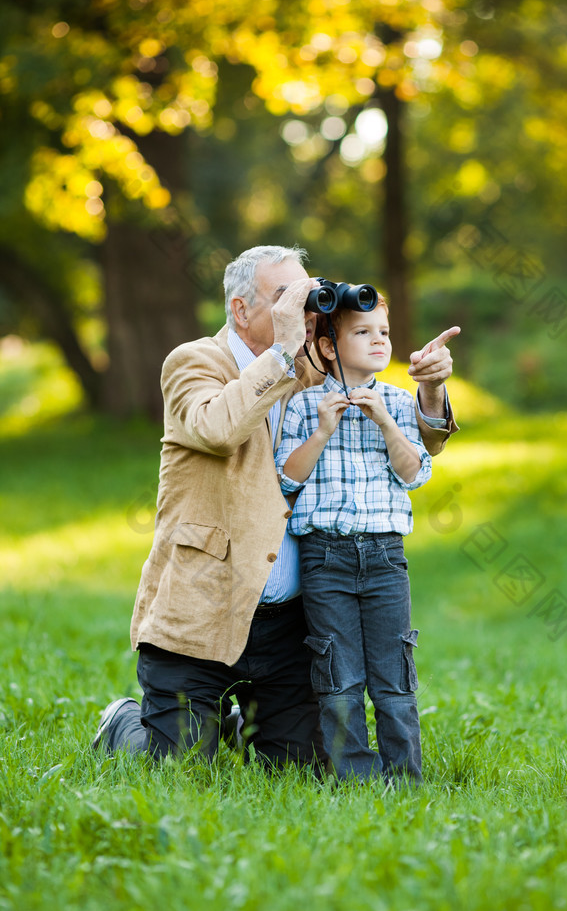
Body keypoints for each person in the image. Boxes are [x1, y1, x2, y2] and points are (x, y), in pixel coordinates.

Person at [93, 245, 458, 767]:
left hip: (288, 627)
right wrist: (284, 352)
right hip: (201, 619)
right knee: (181, 767)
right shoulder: (193, 361)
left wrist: (431, 389)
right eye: (285, 298)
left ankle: (240, 723)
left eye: (307, 296)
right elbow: (216, 429)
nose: (304, 312)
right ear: (241, 310)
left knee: (303, 768)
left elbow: (423, 440)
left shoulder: (314, 369)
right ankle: (126, 722)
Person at [275, 294, 431, 783]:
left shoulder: (402, 403)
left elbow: (415, 474)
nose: (379, 339)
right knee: (338, 676)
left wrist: (384, 420)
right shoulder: (302, 406)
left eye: (383, 331)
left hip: (385, 556)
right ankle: (355, 779)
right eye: (363, 332)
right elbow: (285, 479)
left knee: (394, 676)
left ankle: (404, 779)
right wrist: (322, 431)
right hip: (325, 557)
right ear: (328, 345)